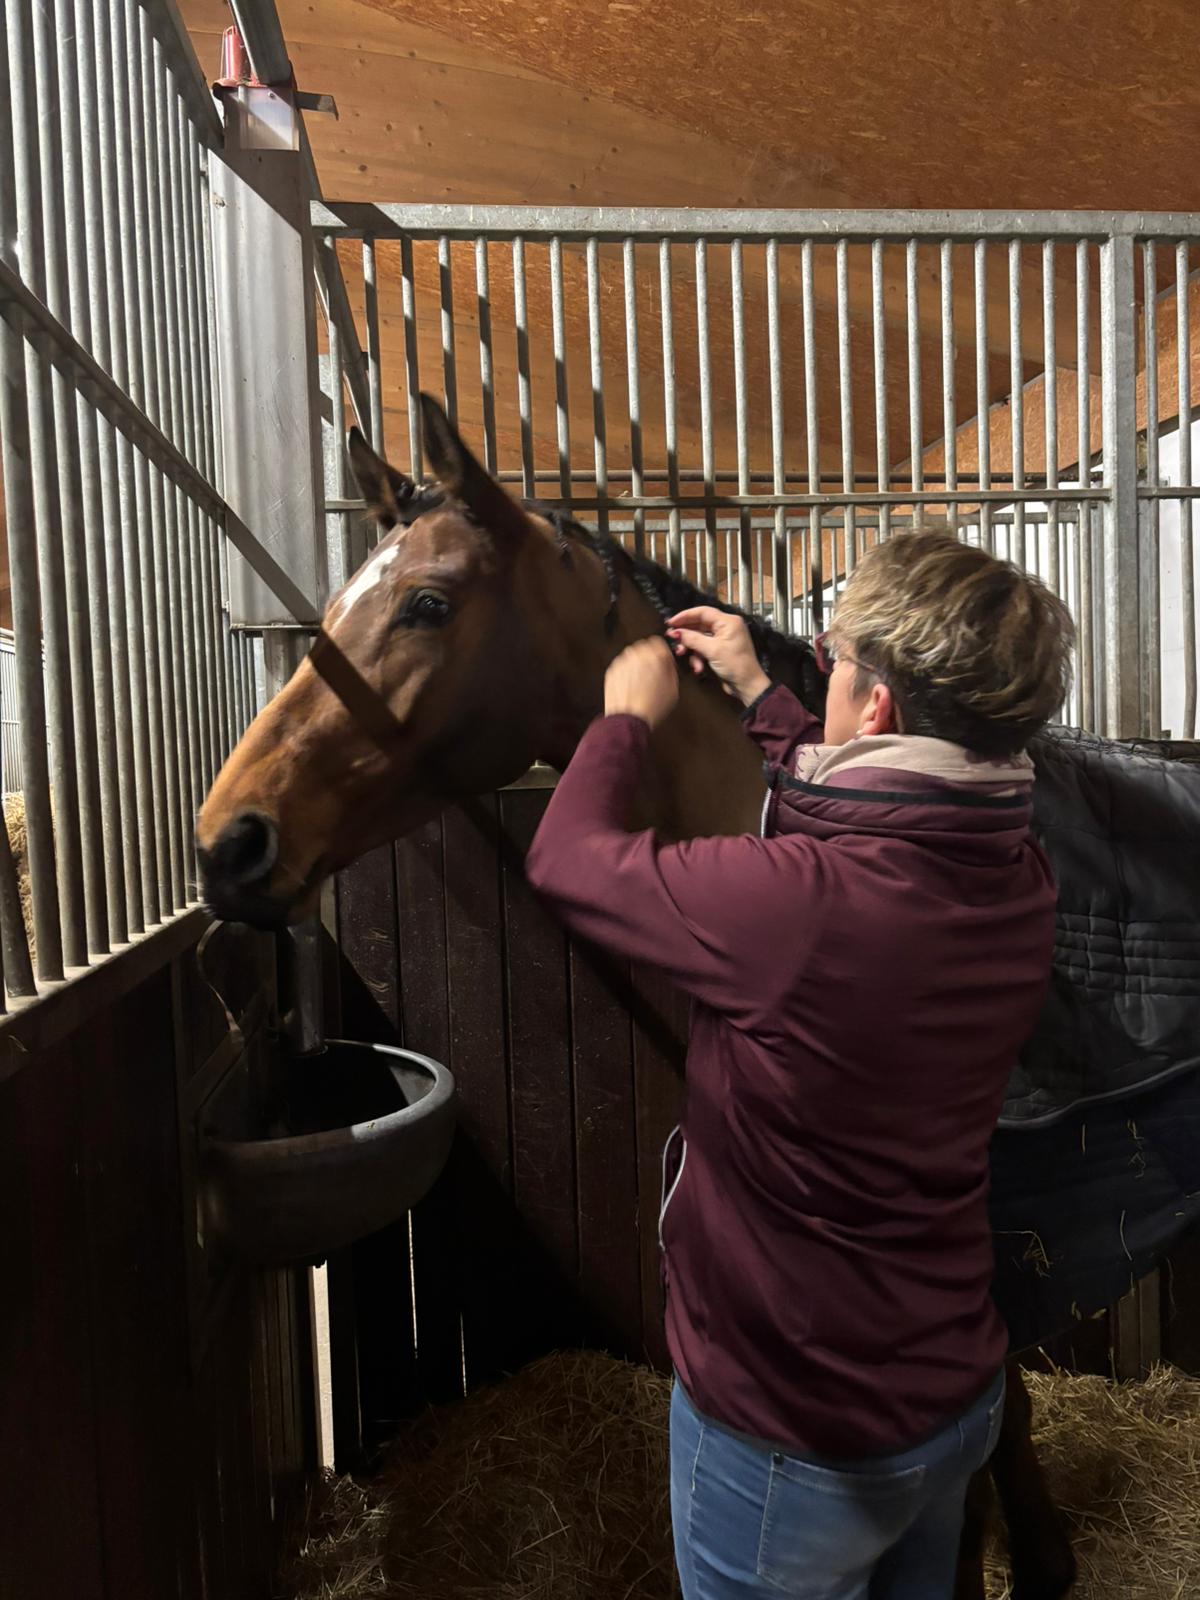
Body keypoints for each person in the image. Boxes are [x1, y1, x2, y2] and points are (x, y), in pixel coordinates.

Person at [523, 530, 1076, 1600]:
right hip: (947, 1401)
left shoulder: (798, 909)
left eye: (835, 662)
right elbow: (871, 809)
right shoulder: (1019, 871)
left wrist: (625, 719)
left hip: (792, 1440)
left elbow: (568, 859)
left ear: (877, 707)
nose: (824, 674)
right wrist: (764, 695)